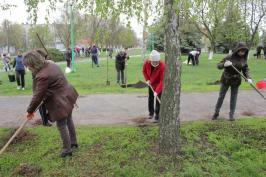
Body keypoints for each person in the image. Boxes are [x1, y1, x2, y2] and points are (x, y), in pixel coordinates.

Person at [23, 50, 79, 157]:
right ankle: (73, 142)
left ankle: (67, 150)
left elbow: (37, 97)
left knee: (61, 125)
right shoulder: (50, 63)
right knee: (68, 120)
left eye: (28, 66)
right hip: (68, 96)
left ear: (33, 64)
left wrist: (30, 111)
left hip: (60, 102)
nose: (28, 68)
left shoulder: (42, 76)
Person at [212, 42, 252, 121]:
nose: (242, 53)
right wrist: (224, 64)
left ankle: (231, 115)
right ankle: (216, 113)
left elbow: (245, 69)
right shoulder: (229, 56)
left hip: (236, 81)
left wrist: (248, 77)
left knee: (234, 97)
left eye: (244, 52)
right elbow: (218, 65)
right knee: (221, 96)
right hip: (226, 79)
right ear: (237, 50)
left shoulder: (243, 59)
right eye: (241, 51)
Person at [142, 50, 165, 123]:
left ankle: (157, 116)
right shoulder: (146, 63)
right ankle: (151, 113)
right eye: (154, 62)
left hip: (159, 83)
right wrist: (147, 79)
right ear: (151, 60)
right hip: (151, 83)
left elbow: (162, 80)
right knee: (150, 98)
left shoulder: (162, 66)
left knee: (158, 100)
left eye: (157, 61)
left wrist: (157, 91)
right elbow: (144, 71)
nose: (155, 63)